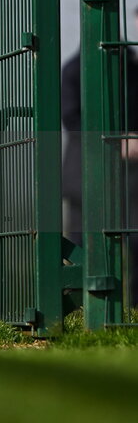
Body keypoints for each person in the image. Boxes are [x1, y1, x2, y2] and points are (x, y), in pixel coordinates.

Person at [62, 21, 138, 308]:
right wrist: (117, 142)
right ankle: (79, 308)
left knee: (134, 240)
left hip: (129, 175)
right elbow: (72, 120)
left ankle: (130, 308)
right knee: (81, 242)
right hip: (86, 174)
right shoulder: (73, 70)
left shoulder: (131, 69)